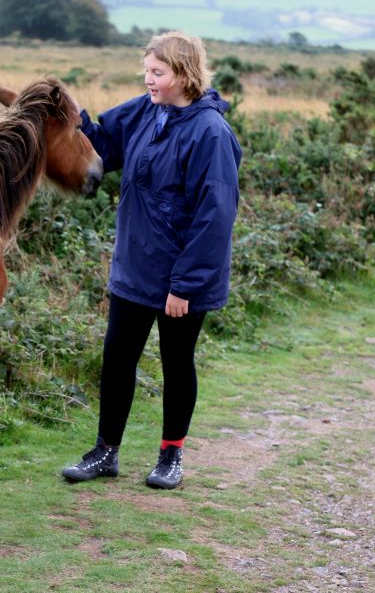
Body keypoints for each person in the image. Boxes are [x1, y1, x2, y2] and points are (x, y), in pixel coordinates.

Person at [62, 31, 242, 489]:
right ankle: (106, 452)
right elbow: (103, 145)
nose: (148, 79)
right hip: (135, 266)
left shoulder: (211, 133)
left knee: (177, 361)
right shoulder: (147, 110)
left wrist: (184, 284)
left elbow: (214, 217)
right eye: (146, 70)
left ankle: (171, 457)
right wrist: (68, 110)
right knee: (118, 357)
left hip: (182, 277)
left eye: (157, 72)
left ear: (184, 74)